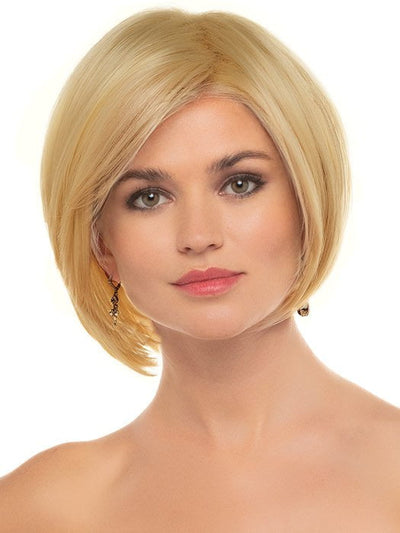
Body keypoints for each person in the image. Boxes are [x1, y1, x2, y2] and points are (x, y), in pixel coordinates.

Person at [1, 8, 399, 530]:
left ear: (308, 200)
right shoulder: (39, 509)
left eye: (240, 184)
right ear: (101, 243)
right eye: (148, 197)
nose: (198, 235)